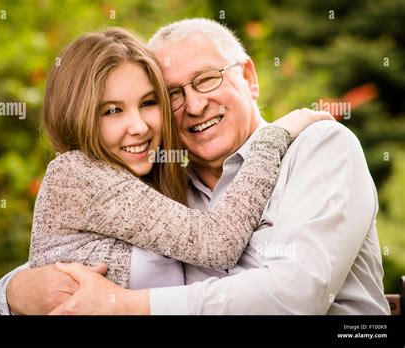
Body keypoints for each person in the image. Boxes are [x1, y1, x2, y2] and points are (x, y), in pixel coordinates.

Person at [0, 19, 390, 315]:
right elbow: (68, 251)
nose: (195, 105)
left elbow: (300, 294)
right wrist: (15, 289)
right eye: (172, 95)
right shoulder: (167, 185)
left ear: (249, 77)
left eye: (206, 80)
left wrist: (129, 305)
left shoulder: (320, 148)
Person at [28, 27, 326, 291]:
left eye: (148, 103)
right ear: (76, 115)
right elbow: (217, 244)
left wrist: (11, 288)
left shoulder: (154, 177)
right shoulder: (77, 174)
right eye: (113, 111)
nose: (140, 127)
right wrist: (272, 138)